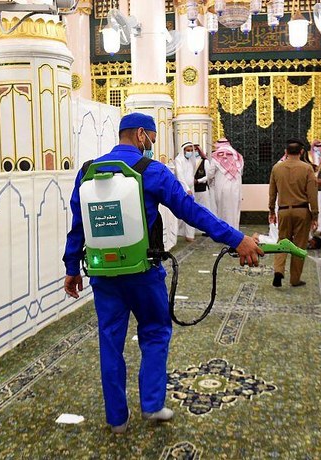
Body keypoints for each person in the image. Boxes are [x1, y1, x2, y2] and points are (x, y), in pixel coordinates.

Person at [63, 113, 263, 434]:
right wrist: (236, 238)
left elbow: (78, 224)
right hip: (143, 272)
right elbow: (191, 211)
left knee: (110, 342)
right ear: (141, 134)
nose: (151, 145)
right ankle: (152, 405)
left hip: (104, 274)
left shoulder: (88, 171)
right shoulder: (152, 171)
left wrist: (72, 268)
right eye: (152, 139)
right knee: (155, 332)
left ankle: (117, 419)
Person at [268, 138, 319, 287]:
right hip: (302, 211)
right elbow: (312, 194)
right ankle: (295, 279)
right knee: (299, 245)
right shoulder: (307, 169)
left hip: (283, 211)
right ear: (301, 152)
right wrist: (315, 215)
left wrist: (271, 211)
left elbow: (272, 193)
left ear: (286, 152)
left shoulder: (276, 168)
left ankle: (278, 270)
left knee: (282, 242)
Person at [208, 138, 244, 230]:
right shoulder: (238, 156)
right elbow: (241, 172)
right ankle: (235, 232)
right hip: (236, 188)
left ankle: (225, 232)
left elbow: (210, 173)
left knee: (223, 211)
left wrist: (209, 182)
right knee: (234, 211)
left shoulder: (216, 157)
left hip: (222, 189)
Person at [174, 141, 198, 241]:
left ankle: (189, 235)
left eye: (191, 150)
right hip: (183, 189)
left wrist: (190, 187)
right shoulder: (178, 160)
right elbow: (180, 176)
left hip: (191, 189)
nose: (190, 152)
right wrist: (186, 188)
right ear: (183, 151)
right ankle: (176, 233)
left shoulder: (190, 161)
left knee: (190, 211)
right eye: (188, 150)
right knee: (180, 212)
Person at [193, 143, 211, 213]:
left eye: (196, 150)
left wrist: (198, 181)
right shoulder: (190, 162)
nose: (194, 152)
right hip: (193, 190)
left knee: (204, 209)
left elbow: (208, 176)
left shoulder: (205, 162)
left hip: (203, 190)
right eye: (193, 150)